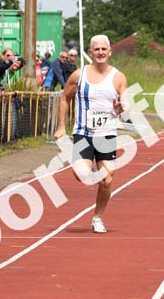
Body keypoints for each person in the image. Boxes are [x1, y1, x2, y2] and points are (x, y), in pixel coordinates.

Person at [54, 35, 127, 234]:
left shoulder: (118, 77)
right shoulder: (79, 75)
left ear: (110, 52)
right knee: (83, 176)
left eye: (104, 49)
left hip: (107, 134)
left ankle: (97, 218)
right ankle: (77, 158)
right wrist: (61, 127)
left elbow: (126, 106)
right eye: (97, 49)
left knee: (107, 180)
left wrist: (121, 108)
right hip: (83, 133)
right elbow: (64, 98)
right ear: (91, 52)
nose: (101, 52)